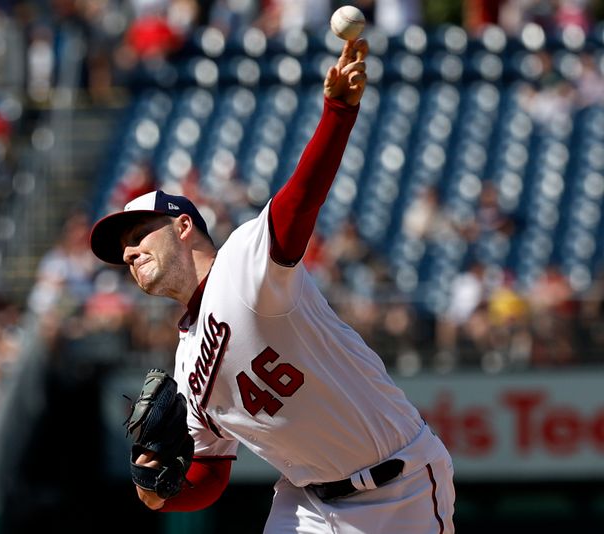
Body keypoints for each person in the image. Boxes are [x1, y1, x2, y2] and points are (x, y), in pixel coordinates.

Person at [89, 38, 455, 533]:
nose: (129, 253)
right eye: (123, 252)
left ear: (182, 227)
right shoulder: (185, 359)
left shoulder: (241, 264)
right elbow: (211, 474)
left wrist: (337, 114)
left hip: (397, 488)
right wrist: (157, 489)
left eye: (137, 235)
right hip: (303, 503)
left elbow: (298, 204)